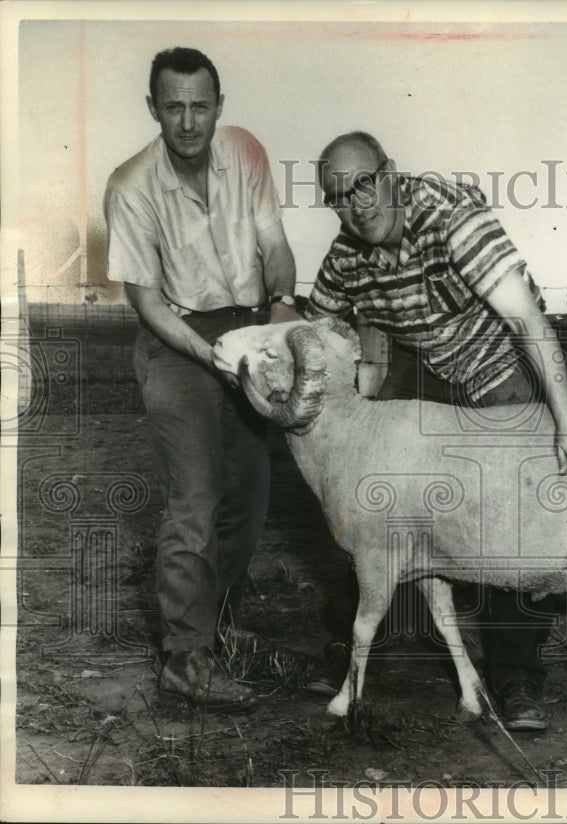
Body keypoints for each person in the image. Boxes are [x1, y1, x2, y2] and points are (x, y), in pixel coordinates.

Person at [303, 131, 567, 730]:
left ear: (391, 173)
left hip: (497, 362)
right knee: (374, 495)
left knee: (509, 514)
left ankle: (518, 674)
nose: (357, 204)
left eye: (366, 183)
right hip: (422, 371)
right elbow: (307, 330)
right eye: (339, 195)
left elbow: (528, 320)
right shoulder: (347, 253)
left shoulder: (454, 218)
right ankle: (354, 651)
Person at [104, 47, 299, 712]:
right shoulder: (130, 186)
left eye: (201, 105)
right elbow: (148, 304)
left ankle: (217, 624)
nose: (188, 120)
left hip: (249, 328)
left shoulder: (245, 151)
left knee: (248, 493)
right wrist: (210, 355)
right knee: (196, 500)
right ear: (153, 108)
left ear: (220, 105)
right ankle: (186, 664)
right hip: (176, 341)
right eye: (174, 106)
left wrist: (278, 312)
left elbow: (274, 245)